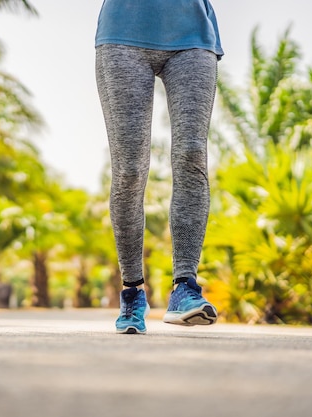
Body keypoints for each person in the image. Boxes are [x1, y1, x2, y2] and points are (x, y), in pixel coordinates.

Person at [95, 0, 223, 334]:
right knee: (129, 169)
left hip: (194, 35)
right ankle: (132, 291)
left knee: (192, 154)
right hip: (122, 34)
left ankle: (185, 287)